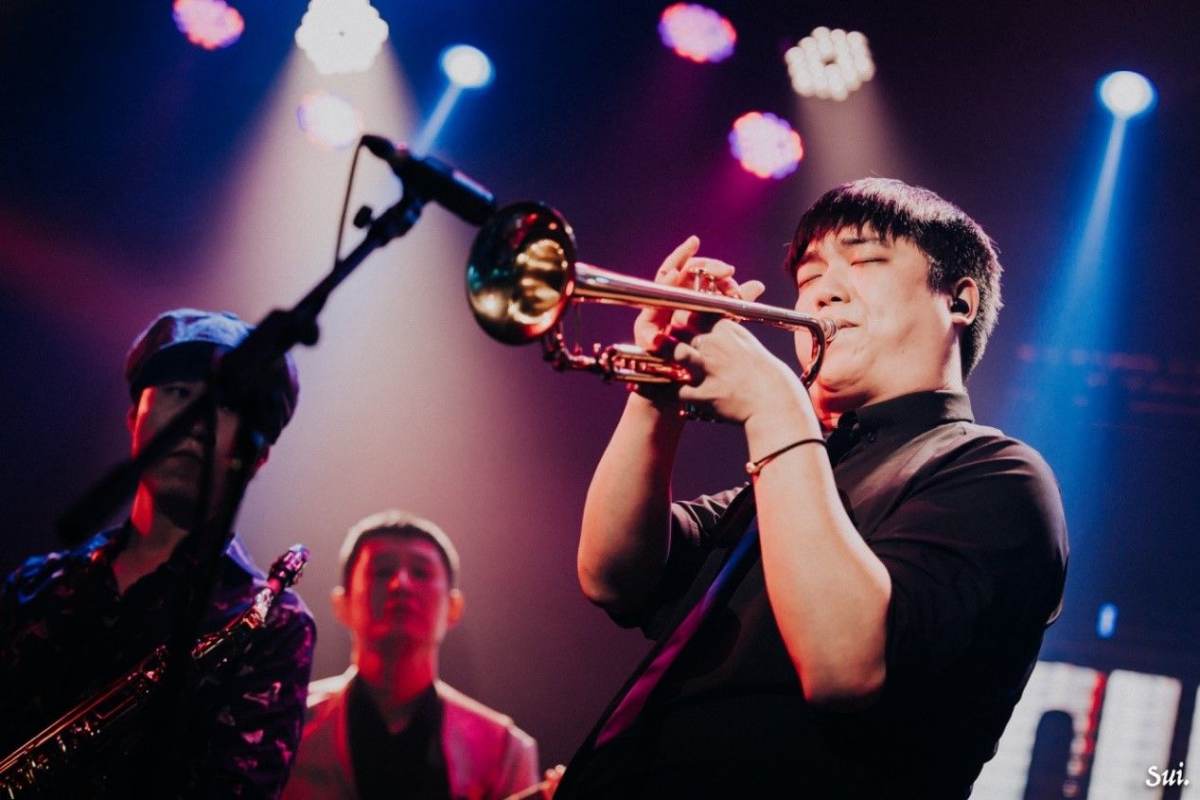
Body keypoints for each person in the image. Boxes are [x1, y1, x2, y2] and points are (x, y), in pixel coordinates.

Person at [558, 179, 1069, 798]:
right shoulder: (793, 478)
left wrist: (777, 406)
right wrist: (657, 387)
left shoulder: (997, 474)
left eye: (866, 260)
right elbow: (612, 575)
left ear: (959, 300)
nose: (823, 290)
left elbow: (845, 668)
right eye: (809, 275)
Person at [0, 308, 316, 798]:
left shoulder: (273, 625)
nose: (198, 422)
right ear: (133, 418)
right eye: (179, 393)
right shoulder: (33, 586)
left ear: (257, 456)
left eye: (226, 405)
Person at [285, 510, 540, 800]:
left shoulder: (502, 749)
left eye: (421, 572)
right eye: (382, 571)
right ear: (341, 603)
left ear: (454, 607)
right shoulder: (285, 724)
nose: (401, 584)